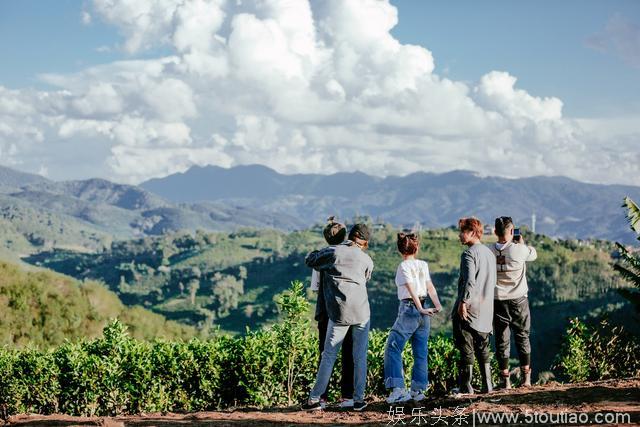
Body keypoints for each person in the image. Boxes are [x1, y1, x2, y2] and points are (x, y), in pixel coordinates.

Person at [303, 224, 374, 412]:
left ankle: (315, 399)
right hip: (362, 313)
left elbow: (310, 260)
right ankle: (357, 400)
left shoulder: (333, 252)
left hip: (339, 312)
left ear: (349, 236)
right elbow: (365, 278)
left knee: (329, 355)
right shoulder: (367, 259)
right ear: (365, 243)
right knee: (359, 356)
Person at [383, 231, 443, 403]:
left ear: (400, 249)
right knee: (420, 353)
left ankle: (398, 389)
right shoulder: (423, 264)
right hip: (424, 308)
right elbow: (429, 286)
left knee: (393, 348)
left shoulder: (403, 266)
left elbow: (410, 288)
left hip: (410, 308)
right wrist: (436, 305)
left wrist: (418, 308)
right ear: (416, 248)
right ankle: (418, 390)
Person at [309, 217, 354, 408]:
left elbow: (315, 287)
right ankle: (347, 396)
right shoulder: (351, 256)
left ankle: (322, 396)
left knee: (325, 353)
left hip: (327, 311)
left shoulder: (320, 259)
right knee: (348, 352)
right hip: (348, 309)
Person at [490, 216, 538, 388]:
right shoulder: (520, 250)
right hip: (518, 300)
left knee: (502, 340)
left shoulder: (489, 251)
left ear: (495, 232)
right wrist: (522, 243)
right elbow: (534, 254)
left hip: (497, 300)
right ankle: (526, 378)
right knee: (522, 336)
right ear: (512, 231)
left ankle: (505, 380)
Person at [452, 217, 496, 395]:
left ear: (471, 232)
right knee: (483, 347)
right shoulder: (489, 253)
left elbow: (470, 281)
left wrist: (463, 302)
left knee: (466, 347)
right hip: (486, 309)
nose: (459, 235)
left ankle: (466, 386)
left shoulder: (469, 254)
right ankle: (488, 385)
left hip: (470, 309)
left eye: (462, 231)